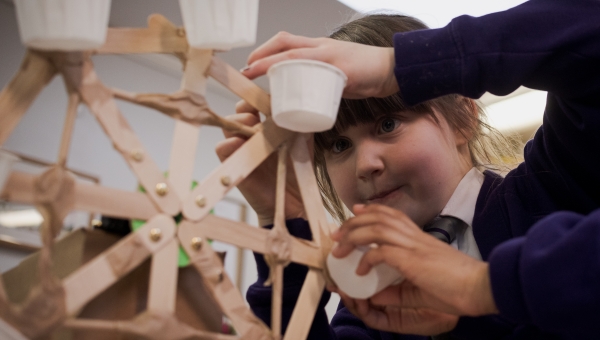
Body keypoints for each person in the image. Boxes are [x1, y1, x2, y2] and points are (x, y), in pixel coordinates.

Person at [217, 0, 600, 338]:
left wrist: (401, 64)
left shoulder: (551, 190)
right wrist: (283, 221)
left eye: (388, 125)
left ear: (465, 117)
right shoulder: (371, 287)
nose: (365, 165)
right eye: (338, 145)